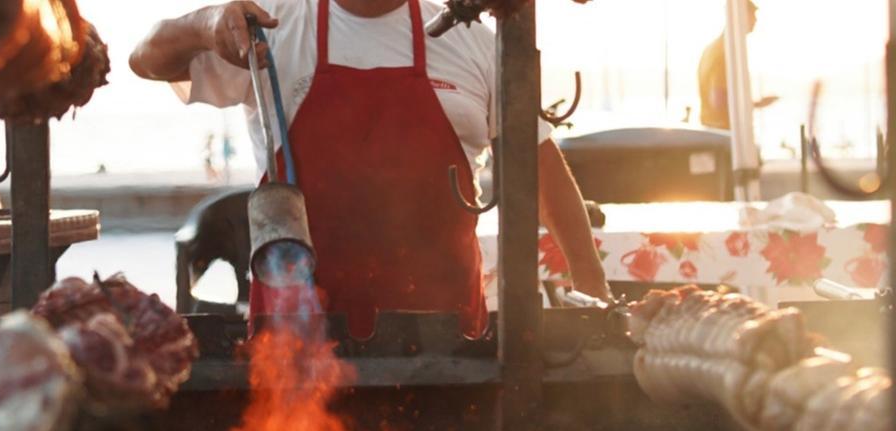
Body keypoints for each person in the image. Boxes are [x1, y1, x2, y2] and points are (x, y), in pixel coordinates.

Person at [131, 0, 609, 338]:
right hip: (297, 342)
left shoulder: (476, 44)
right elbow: (145, 59)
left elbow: (543, 174)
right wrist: (205, 22)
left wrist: (593, 290)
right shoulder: (267, 27)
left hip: (443, 343)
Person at [697, 0, 778, 131]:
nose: (756, 20)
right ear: (739, 15)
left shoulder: (713, 48)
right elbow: (718, 100)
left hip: (714, 131)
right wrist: (758, 104)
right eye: (752, 14)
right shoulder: (724, 52)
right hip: (724, 135)